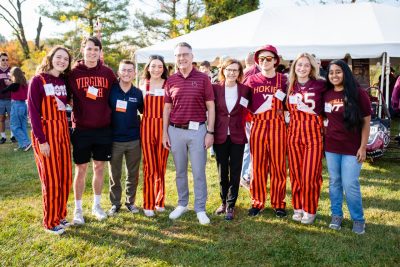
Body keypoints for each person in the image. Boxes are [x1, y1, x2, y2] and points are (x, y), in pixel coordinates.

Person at [163, 42, 215, 225]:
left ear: (192, 57)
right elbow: (167, 108)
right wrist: (164, 133)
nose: (182, 58)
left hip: (198, 131)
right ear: (175, 58)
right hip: (175, 130)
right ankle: (182, 203)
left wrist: (210, 132)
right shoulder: (171, 80)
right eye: (178, 55)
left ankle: (200, 208)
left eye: (185, 54)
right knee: (180, 171)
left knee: (199, 171)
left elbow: (211, 106)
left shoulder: (203, 78)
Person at [68, 36, 117, 224]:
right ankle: (78, 209)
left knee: (99, 167)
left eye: (96, 49)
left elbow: (117, 93)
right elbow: (65, 95)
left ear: (100, 52)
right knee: (80, 169)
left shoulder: (107, 73)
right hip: (81, 128)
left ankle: (97, 205)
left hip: (103, 128)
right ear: (83, 50)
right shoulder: (73, 73)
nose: (92, 52)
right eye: (89, 49)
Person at [28, 46, 73, 235]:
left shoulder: (63, 81)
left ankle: (60, 215)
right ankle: (50, 221)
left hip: (62, 132)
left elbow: (68, 104)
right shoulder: (38, 80)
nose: (62, 61)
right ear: (51, 57)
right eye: (59, 57)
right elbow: (33, 112)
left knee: (64, 176)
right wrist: (42, 140)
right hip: (46, 134)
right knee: (51, 178)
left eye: (65, 59)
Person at [324, 59, 371, 235]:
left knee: (350, 183)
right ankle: (336, 215)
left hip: (352, 148)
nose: (334, 75)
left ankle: (358, 219)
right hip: (332, 147)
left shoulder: (358, 94)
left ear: (345, 73)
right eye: (331, 72)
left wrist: (363, 147)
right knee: (334, 182)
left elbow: (366, 123)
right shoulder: (327, 94)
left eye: (338, 71)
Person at [245, 45, 288, 218]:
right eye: (261, 58)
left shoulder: (283, 80)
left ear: (275, 60)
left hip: (278, 126)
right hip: (258, 126)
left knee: (278, 166)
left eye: (268, 58)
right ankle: (258, 202)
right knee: (258, 166)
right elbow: (244, 102)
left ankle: (279, 203)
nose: (264, 61)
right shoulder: (251, 80)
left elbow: (289, 103)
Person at [286, 53, 326, 224]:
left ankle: (310, 208)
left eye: (306, 65)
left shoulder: (321, 84)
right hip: (293, 134)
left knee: (310, 174)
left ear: (312, 68)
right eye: (299, 65)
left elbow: (327, 108)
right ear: (294, 66)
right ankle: (298, 206)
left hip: (313, 135)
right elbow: (285, 110)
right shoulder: (289, 85)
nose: (302, 68)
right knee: (295, 173)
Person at [213, 58, 250, 220]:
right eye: (229, 69)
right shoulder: (215, 89)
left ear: (239, 73)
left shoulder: (245, 90)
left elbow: (249, 110)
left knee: (235, 171)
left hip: (237, 135)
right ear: (223, 70)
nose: (232, 73)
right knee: (222, 172)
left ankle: (231, 204)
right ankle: (223, 202)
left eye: (235, 70)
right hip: (220, 134)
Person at [108, 60, 143, 216]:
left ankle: (130, 202)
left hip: (134, 140)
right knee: (114, 175)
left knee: (132, 174)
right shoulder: (111, 91)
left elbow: (144, 112)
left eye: (130, 70)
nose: (127, 73)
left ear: (134, 73)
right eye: (124, 70)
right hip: (115, 140)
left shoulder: (138, 93)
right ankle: (115, 203)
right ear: (119, 73)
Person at [140, 55, 169, 217]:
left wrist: (166, 131)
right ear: (148, 67)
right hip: (147, 127)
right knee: (149, 166)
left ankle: (160, 200)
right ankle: (148, 203)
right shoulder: (143, 84)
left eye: (159, 66)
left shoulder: (168, 84)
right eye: (153, 66)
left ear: (164, 68)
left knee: (161, 166)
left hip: (164, 127)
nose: (156, 69)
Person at [1, 67, 31, 151]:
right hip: (24, 105)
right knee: (23, 126)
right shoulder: (25, 83)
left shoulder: (14, 85)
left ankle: (25, 143)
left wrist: (9, 84)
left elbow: (3, 91)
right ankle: (24, 144)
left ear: (14, 75)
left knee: (14, 126)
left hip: (16, 105)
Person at [0, 52, 16, 144]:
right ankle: (3, 137)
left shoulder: (12, 71)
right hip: (0, 99)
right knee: (1, 118)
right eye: (3, 60)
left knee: (11, 118)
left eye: (6, 60)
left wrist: (11, 83)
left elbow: (17, 84)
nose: (5, 62)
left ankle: (13, 136)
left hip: (11, 99)